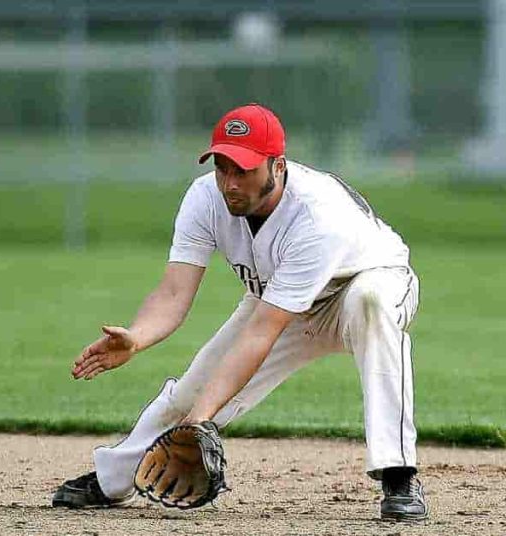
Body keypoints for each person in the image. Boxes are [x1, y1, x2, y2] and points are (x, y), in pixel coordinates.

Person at [50, 103, 428, 521]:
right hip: (276, 299)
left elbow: (261, 333)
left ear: (278, 166)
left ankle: (399, 474)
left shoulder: (318, 217)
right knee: (194, 392)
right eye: (223, 167)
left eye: (244, 170)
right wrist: (138, 337)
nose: (230, 182)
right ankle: (114, 479)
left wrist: (200, 423)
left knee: (370, 303)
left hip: (364, 282)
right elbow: (175, 292)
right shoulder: (204, 198)